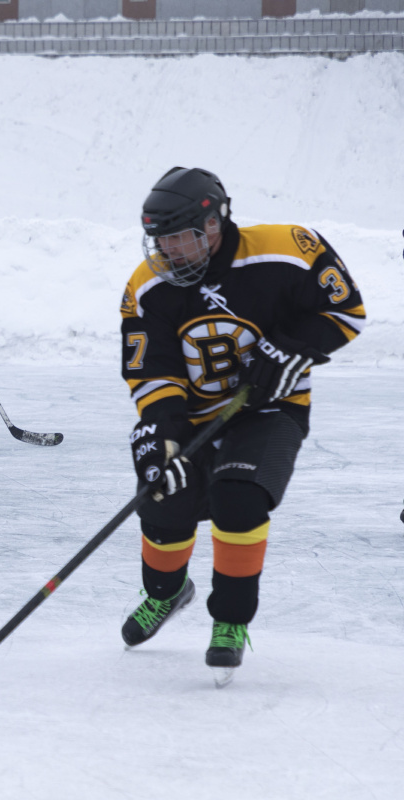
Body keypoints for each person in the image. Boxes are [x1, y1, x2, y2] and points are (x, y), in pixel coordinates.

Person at [120, 167, 364, 682]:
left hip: (270, 408)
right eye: (159, 240)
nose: (168, 251)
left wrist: (287, 350)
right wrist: (162, 435)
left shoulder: (286, 251)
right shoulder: (148, 287)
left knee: (239, 497)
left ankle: (229, 620)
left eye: (179, 238)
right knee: (163, 493)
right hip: (192, 414)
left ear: (213, 224)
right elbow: (152, 369)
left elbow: (346, 310)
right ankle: (165, 595)